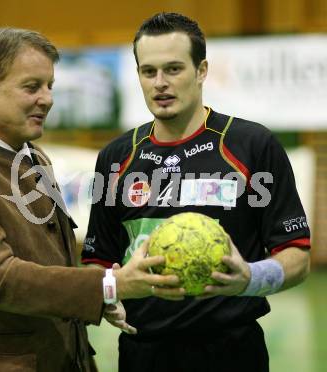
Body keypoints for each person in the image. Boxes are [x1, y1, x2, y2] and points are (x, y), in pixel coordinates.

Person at [0, 27, 185, 372]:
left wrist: (99, 298)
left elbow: (52, 260)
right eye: (32, 86)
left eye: (50, 85)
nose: (48, 98)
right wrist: (109, 286)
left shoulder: (36, 158)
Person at [81, 12, 311, 372]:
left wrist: (249, 280)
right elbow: (97, 259)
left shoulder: (252, 145)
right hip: (143, 354)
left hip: (233, 351)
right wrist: (109, 296)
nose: (160, 83)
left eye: (173, 69)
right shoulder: (116, 157)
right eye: (148, 71)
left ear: (201, 70)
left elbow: (296, 256)